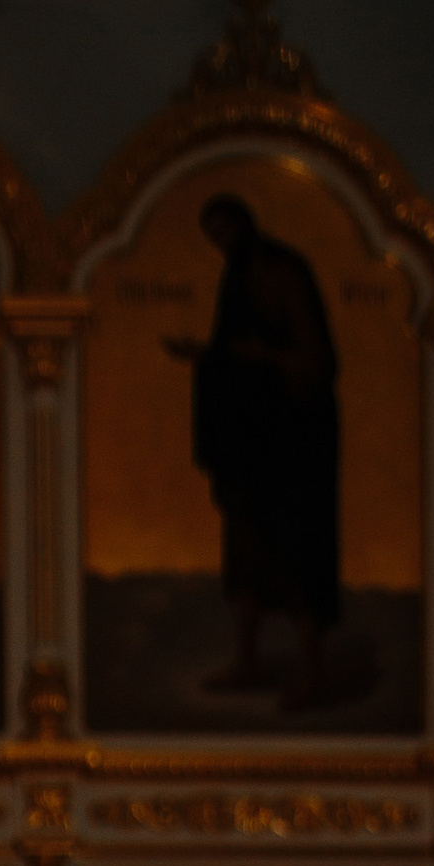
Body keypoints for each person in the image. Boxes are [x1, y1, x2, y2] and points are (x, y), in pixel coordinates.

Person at [165, 194, 342, 706]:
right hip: (249, 439)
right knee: (246, 552)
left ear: (247, 224)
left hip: (294, 438)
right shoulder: (237, 274)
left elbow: (318, 361)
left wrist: (264, 356)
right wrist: (205, 354)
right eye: (213, 238)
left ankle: (312, 673)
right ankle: (248, 661)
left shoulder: (284, 271)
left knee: (299, 551)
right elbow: (236, 349)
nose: (222, 245)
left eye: (225, 232)